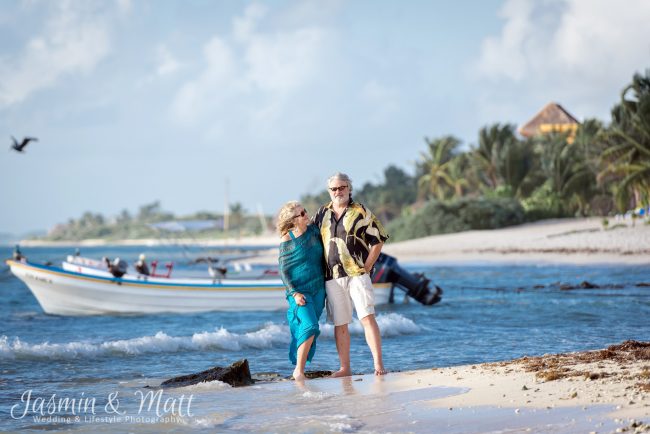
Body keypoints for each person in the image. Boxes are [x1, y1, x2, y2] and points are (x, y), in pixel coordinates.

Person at [313, 172, 389, 377]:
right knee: (340, 323)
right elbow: (310, 239)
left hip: (357, 273)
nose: (338, 192)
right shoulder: (321, 213)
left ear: (349, 188)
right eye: (334, 189)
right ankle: (345, 368)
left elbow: (379, 239)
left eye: (342, 187)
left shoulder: (360, 211)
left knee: (367, 317)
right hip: (332, 276)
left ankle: (378, 364)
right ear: (329, 191)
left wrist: (367, 265)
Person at [277, 201, 327, 381]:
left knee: (309, 329)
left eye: (305, 211)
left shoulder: (314, 230)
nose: (306, 215)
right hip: (299, 291)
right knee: (310, 326)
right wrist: (294, 293)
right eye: (302, 214)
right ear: (293, 220)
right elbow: (283, 271)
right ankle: (298, 371)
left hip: (319, 288)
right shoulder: (287, 238)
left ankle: (301, 368)